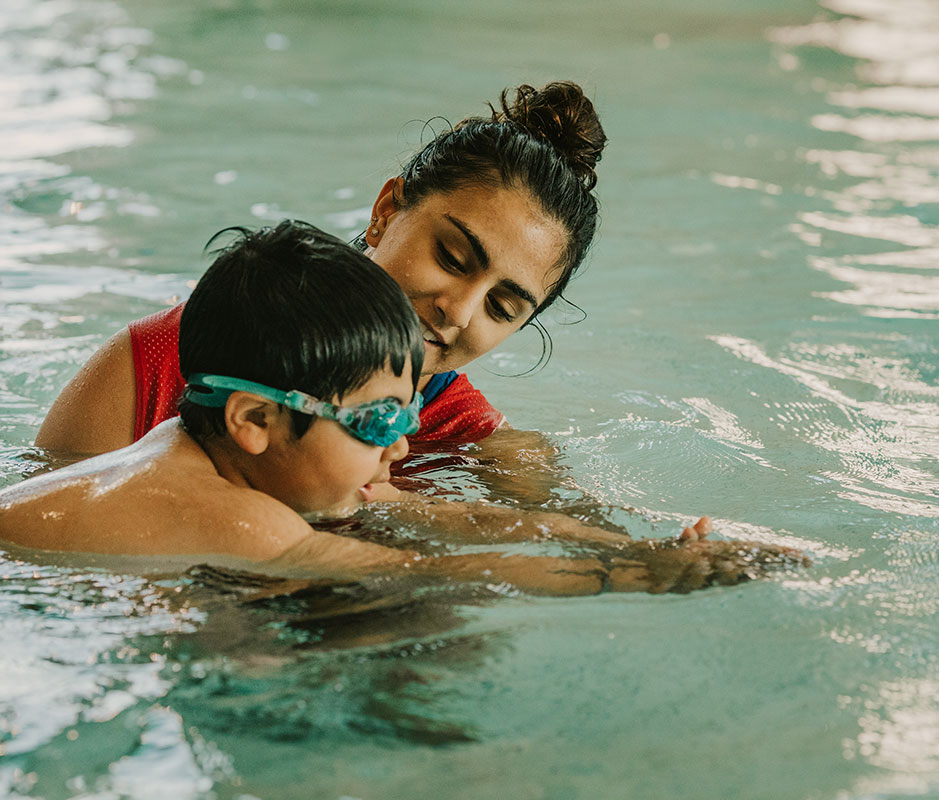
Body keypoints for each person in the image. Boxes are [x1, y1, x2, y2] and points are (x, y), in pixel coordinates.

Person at [0, 221, 805, 593]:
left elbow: (464, 527)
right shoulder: (248, 523)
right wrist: (646, 578)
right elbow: (432, 575)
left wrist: (641, 540)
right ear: (253, 422)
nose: (399, 450)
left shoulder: (188, 448)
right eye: (382, 422)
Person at [34, 80, 607, 461]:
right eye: (451, 258)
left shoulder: (465, 444)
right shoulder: (156, 368)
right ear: (386, 211)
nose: (458, 310)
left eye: (502, 308)